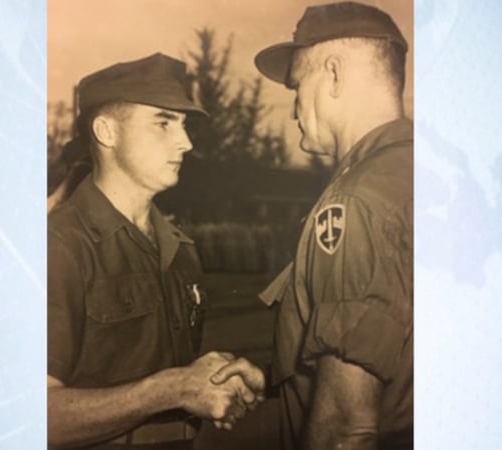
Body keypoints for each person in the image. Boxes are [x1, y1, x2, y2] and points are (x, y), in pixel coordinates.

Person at [212, 2, 413, 449]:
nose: (294, 111)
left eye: (297, 87)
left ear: (335, 74)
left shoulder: (356, 202)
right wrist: (277, 378)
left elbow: (345, 427)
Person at [47, 53, 265, 450]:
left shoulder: (179, 250)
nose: (186, 142)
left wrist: (217, 382)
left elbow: (173, 377)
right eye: (163, 123)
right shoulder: (59, 247)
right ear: (107, 132)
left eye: (183, 125)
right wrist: (172, 389)